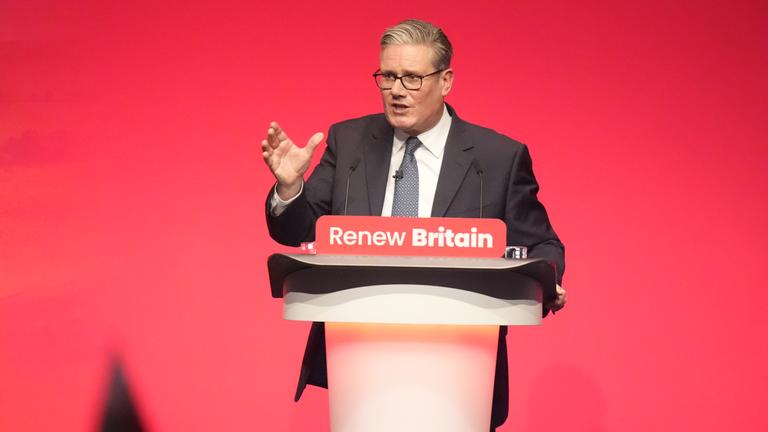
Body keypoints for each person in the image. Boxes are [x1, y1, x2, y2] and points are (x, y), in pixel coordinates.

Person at [261, 19, 566, 430]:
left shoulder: (498, 158)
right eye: (387, 76)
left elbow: (544, 245)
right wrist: (290, 186)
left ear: (446, 81)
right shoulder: (349, 142)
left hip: (460, 365)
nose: (397, 90)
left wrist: (547, 283)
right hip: (361, 356)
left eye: (412, 78)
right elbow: (300, 228)